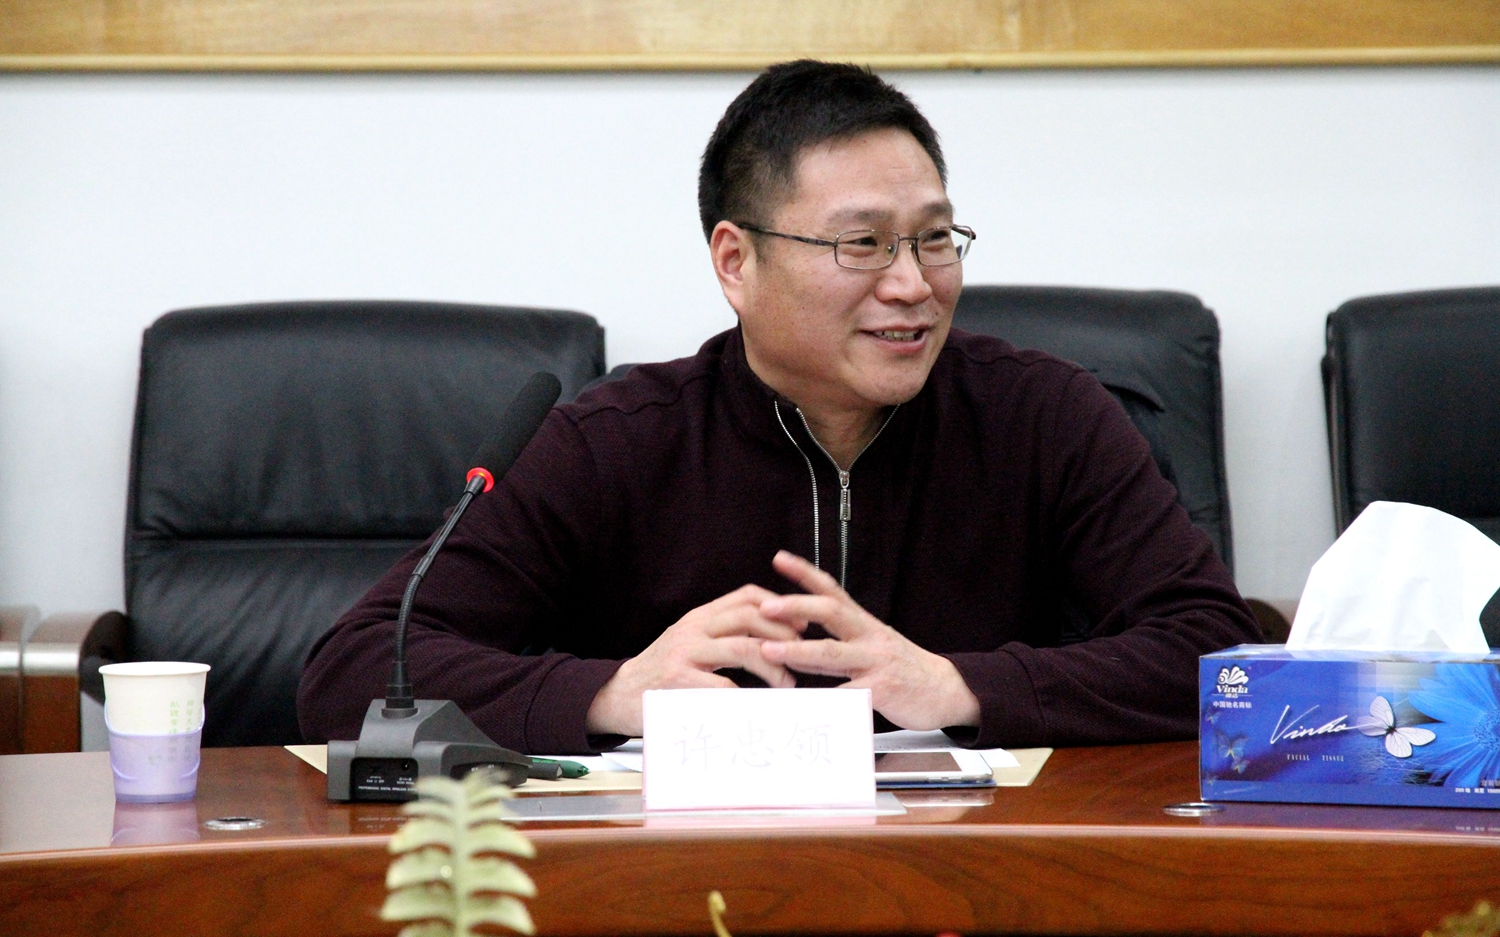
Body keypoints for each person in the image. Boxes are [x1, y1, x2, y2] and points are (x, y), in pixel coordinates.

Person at [297, 60, 1258, 754]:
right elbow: (353, 672)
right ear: (735, 261)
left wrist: (957, 684)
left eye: (934, 239)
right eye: (862, 244)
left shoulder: (1044, 415)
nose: (913, 285)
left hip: (975, 877)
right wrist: (614, 692)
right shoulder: (617, 443)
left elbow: (1219, 655)